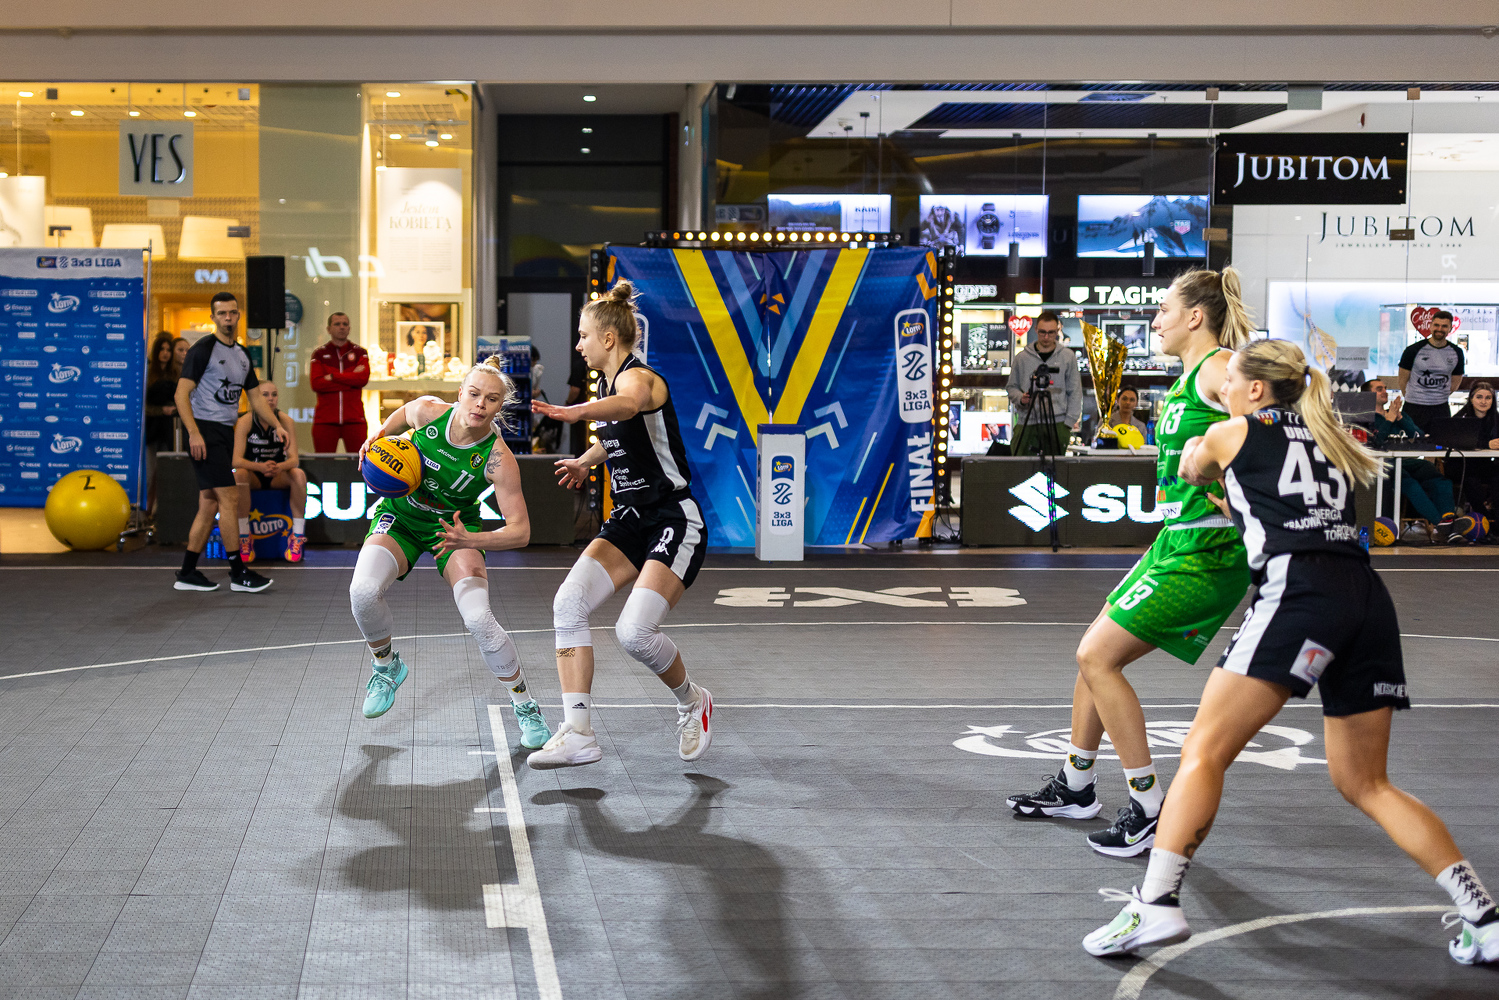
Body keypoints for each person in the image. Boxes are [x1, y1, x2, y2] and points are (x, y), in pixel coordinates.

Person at [1085, 339, 1499, 967]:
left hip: (1299, 595)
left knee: (1203, 752)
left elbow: (1192, 467)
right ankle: (1484, 915)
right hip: (1365, 600)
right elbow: (1274, 505)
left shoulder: (1229, 432)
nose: (1223, 386)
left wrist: (1196, 446)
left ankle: (1157, 902)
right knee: (1367, 782)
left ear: (1255, 389)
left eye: (1231, 379)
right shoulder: (1330, 439)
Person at [1007, 268, 1252, 859]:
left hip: (1210, 548)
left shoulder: (1219, 367)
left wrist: (1241, 495)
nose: (1156, 320)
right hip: (1176, 538)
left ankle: (1150, 808)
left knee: (1097, 656)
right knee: (1093, 653)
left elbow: (1266, 426)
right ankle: (1077, 785)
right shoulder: (1192, 374)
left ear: (1195, 316)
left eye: (1164, 309)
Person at [525, 279, 713, 769]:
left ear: (609, 339)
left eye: (583, 336)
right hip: (629, 518)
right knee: (568, 603)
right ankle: (578, 734)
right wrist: (586, 459)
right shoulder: (606, 386)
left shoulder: (641, 380)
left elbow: (628, 407)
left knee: (634, 633)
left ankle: (692, 701)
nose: (578, 345)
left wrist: (574, 411)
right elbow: (617, 434)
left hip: (673, 517)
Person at [349, 356, 552, 748]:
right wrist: (377, 438)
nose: (480, 404)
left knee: (478, 618)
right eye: (473, 394)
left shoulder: (497, 459)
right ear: (460, 393)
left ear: (499, 406)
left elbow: (521, 532)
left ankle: (526, 705)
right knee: (362, 592)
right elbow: (401, 415)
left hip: (456, 529)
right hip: (402, 516)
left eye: (491, 399)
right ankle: (386, 666)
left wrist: (470, 540)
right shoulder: (427, 412)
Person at [173, 293, 280, 593]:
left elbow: (255, 398)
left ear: (238, 315)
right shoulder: (202, 350)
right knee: (230, 499)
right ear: (213, 317)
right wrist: (193, 433)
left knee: (209, 504)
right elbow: (181, 395)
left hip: (223, 431)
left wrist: (277, 426)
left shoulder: (242, 354)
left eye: (232, 313)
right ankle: (238, 572)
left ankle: (187, 572)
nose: (228, 318)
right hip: (205, 432)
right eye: (222, 314)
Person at [1364, 378, 1456, 531]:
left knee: (1438, 478)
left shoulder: (1400, 415)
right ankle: (1440, 524)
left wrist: (1399, 418)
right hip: (1384, 464)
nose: (1385, 391)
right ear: (1368, 395)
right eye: (1379, 389)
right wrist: (1388, 421)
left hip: (1406, 460)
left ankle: (1449, 519)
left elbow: (1419, 436)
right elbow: (1376, 442)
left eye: (1385, 388)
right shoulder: (1365, 419)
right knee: (1408, 482)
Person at [232, 380, 308, 563]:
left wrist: (279, 467)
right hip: (254, 474)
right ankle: (244, 536)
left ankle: (297, 536)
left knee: (299, 474)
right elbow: (236, 460)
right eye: (265, 395)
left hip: (277, 474)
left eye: (274, 394)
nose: (270, 399)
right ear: (255, 398)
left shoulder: (285, 421)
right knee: (239, 474)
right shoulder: (245, 422)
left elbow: (294, 460)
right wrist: (259, 467)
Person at [1008, 311, 1082, 457]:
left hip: (1058, 421)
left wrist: (1068, 422)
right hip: (1027, 419)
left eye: (1051, 332)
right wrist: (1021, 398)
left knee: (1055, 468)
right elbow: (1011, 387)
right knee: (1021, 465)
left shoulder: (1067, 357)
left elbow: (1075, 391)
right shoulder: (1022, 358)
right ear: (1036, 330)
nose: (1046, 337)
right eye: (1042, 332)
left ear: (1058, 330)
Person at [310, 312, 370, 453]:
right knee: (324, 462)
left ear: (349, 328)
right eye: (337, 324)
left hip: (355, 419)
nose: (341, 327)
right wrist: (351, 377)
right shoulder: (319, 354)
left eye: (345, 324)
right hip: (325, 420)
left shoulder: (360, 353)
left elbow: (362, 379)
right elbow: (317, 384)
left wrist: (332, 376)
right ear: (329, 329)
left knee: (359, 460)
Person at [1398, 310, 1464, 431]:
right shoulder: (1412, 350)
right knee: (1412, 441)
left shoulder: (1457, 352)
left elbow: (1456, 381)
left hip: (1440, 408)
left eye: (1444, 326)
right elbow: (1402, 380)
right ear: (1430, 326)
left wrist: (1438, 396)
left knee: (1441, 441)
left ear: (1450, 328)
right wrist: (1414, 396)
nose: (1439, 329)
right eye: (1436, 325)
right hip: (1414, 407)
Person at [1449, 381, 1499, 521]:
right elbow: (1456, 440)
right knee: (1471, 481)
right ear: (1471, 399)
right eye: (1479, 397)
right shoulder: (1460, 418)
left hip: (1485, 464)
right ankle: (1484, 519)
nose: (1483, 401)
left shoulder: (1496, 419)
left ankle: (1496, 519)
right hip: (1462, 466)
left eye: (1488, 398)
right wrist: (1487, 444)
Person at [144, 332, 180, 516]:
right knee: (149, 473)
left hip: (170, 428)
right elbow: (141, 406)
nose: (165, 353)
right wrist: (161, 410)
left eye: (168, 349)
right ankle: (145, 511)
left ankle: (158, 512)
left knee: (164, 473)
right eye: (162, 349)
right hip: (151, 429)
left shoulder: (175, 374)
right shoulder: (147, 373)